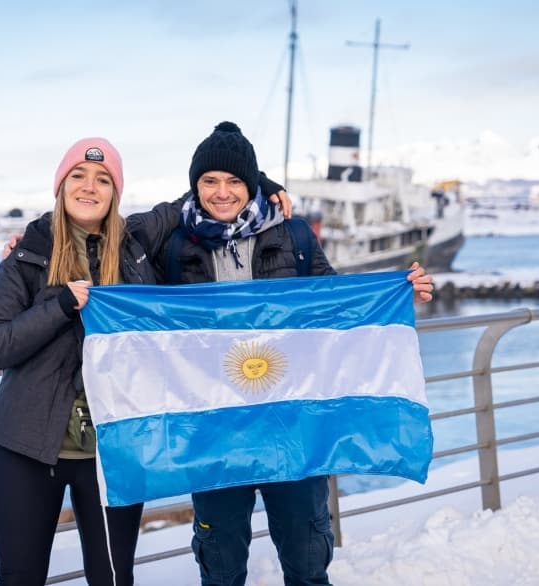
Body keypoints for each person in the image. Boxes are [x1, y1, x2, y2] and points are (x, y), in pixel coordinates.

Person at [0, 136, 292, 586]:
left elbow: (204, 191)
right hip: (25, 449)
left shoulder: (136, 242)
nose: (90, 187)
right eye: (79, 176)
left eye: (103, 179)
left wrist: (260, 180)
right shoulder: (27, 256)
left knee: (112, 578)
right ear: (61, 185)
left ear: (115, 193)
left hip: (113, 450)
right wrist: (59, 306)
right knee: (19, 577)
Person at [145, 121, 435, 586]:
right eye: (210, 181)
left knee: (306, 565)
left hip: (293, 427)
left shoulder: (294, 237)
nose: (222, 192)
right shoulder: (175, 244)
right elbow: (121, 266)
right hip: (215, 430)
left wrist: (399, 293)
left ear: (253, 183)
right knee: (220, 570)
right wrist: (33, 241)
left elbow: (339, 308)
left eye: (235, 180)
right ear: (194, 186)